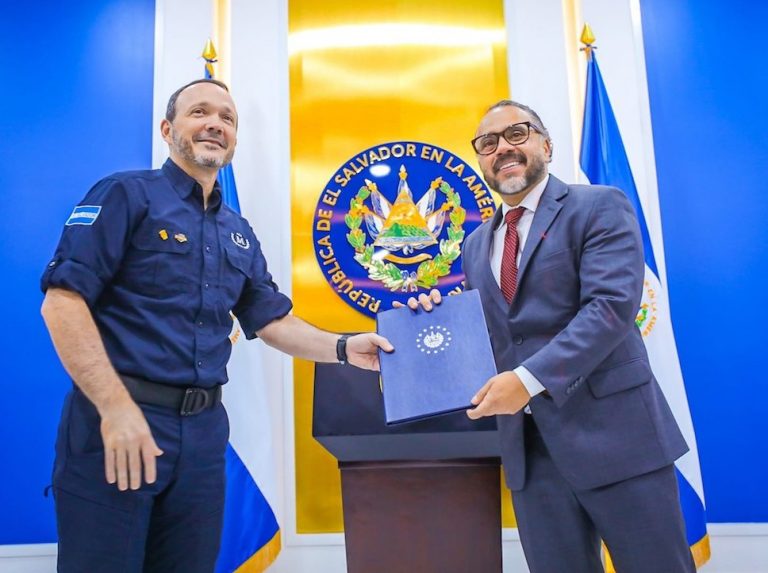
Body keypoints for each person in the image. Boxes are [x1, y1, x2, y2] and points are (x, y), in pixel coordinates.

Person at [40, 78, 393, 573]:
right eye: (199, 112)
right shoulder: (125, 194)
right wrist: (115, 408)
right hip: (121, 420)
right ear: (168, 129)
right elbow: (62, 303)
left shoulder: (238, 231)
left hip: (203, 437)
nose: (215, 124)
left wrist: (343, 346)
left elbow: (271, 319)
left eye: (227, 118)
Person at [403, 100, 696, 572]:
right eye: (488, 143)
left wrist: (526, 380)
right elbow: (489, 336)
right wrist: (423, 340)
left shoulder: (598, 205)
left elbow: (609, 308)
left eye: (516, 134)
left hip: (617, 439)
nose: (502, 148)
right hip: (531, 456)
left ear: (546, 145)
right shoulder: (475, 245)